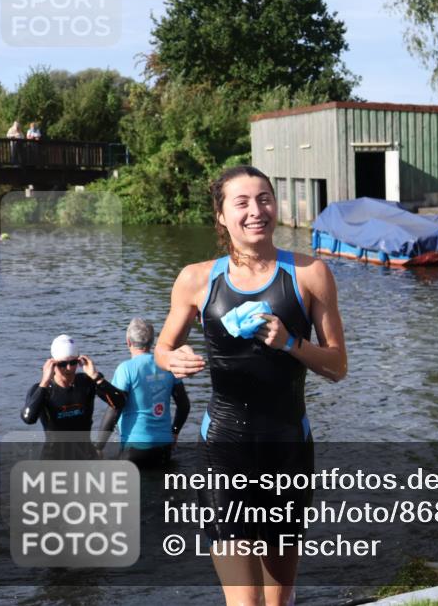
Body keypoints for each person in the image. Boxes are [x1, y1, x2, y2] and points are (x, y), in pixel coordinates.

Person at [155, 165, 347, 606]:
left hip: (288, 448)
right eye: (241, 202)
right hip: (225, 449)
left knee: (279, 599)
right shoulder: (197, 279)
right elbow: (163, 348)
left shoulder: (310, 274)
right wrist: (173, 359)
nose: (256, 210)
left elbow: (337, 365)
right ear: (221, 215)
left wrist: (291, 342)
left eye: (264, 199)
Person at [96, 318, 190, 467]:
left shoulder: (126, 369)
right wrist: (175, 431)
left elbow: (115, 409)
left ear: (128, 342)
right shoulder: (167, 365)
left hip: (134, 450)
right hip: (164, 447)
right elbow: (184, 405)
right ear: (152, 341)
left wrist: (98, 447)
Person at [21, 334, 127, 459]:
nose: (69, 368)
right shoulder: (42, 390)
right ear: (52, 364)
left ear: (79, 361)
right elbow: (29, 419)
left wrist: (96, 377)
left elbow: (120, 403)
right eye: (62, 364)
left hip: (85, 456)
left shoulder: (87, 382)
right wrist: (44, 382)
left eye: (73, 362)